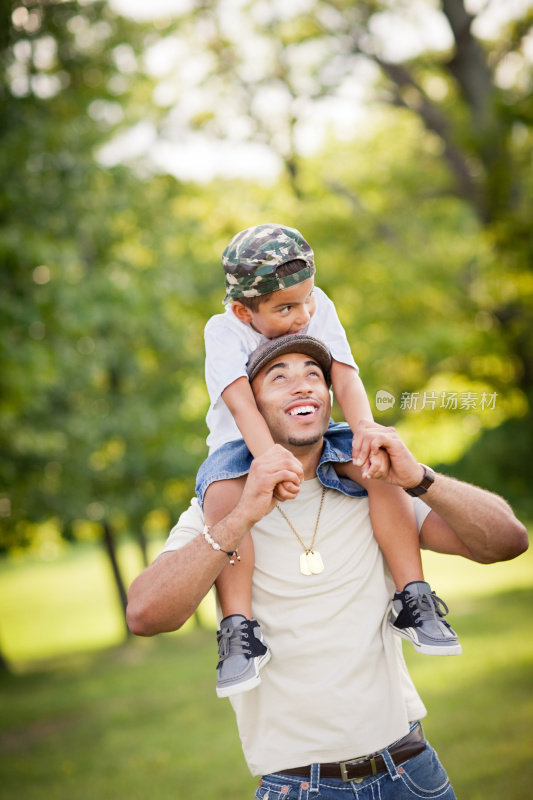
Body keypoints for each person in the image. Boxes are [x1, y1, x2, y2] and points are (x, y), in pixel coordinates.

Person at [127, 334, 528, 800]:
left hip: (411, 771)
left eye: (313, 375)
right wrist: (242, 517)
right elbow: (145, 615)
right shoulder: (220, 507)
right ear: (251, 410)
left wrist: (419, 477)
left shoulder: (376, 490)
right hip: (299, 788)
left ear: (330, 399)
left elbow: (506, 541)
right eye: (279, 377)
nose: (302, 387)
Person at [200, 223, 459, 698]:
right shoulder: (222, 331)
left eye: (307, 300)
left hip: (314, 433)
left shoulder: (316, 306)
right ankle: (239, 630)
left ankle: (413, 596)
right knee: (224, 495)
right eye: (285, 309)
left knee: (376, 468)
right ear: (243, 311)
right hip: (242, 442)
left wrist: (364, 432)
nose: (303, 315)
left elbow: (344, 375)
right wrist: (269, 461)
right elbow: (239, 402)